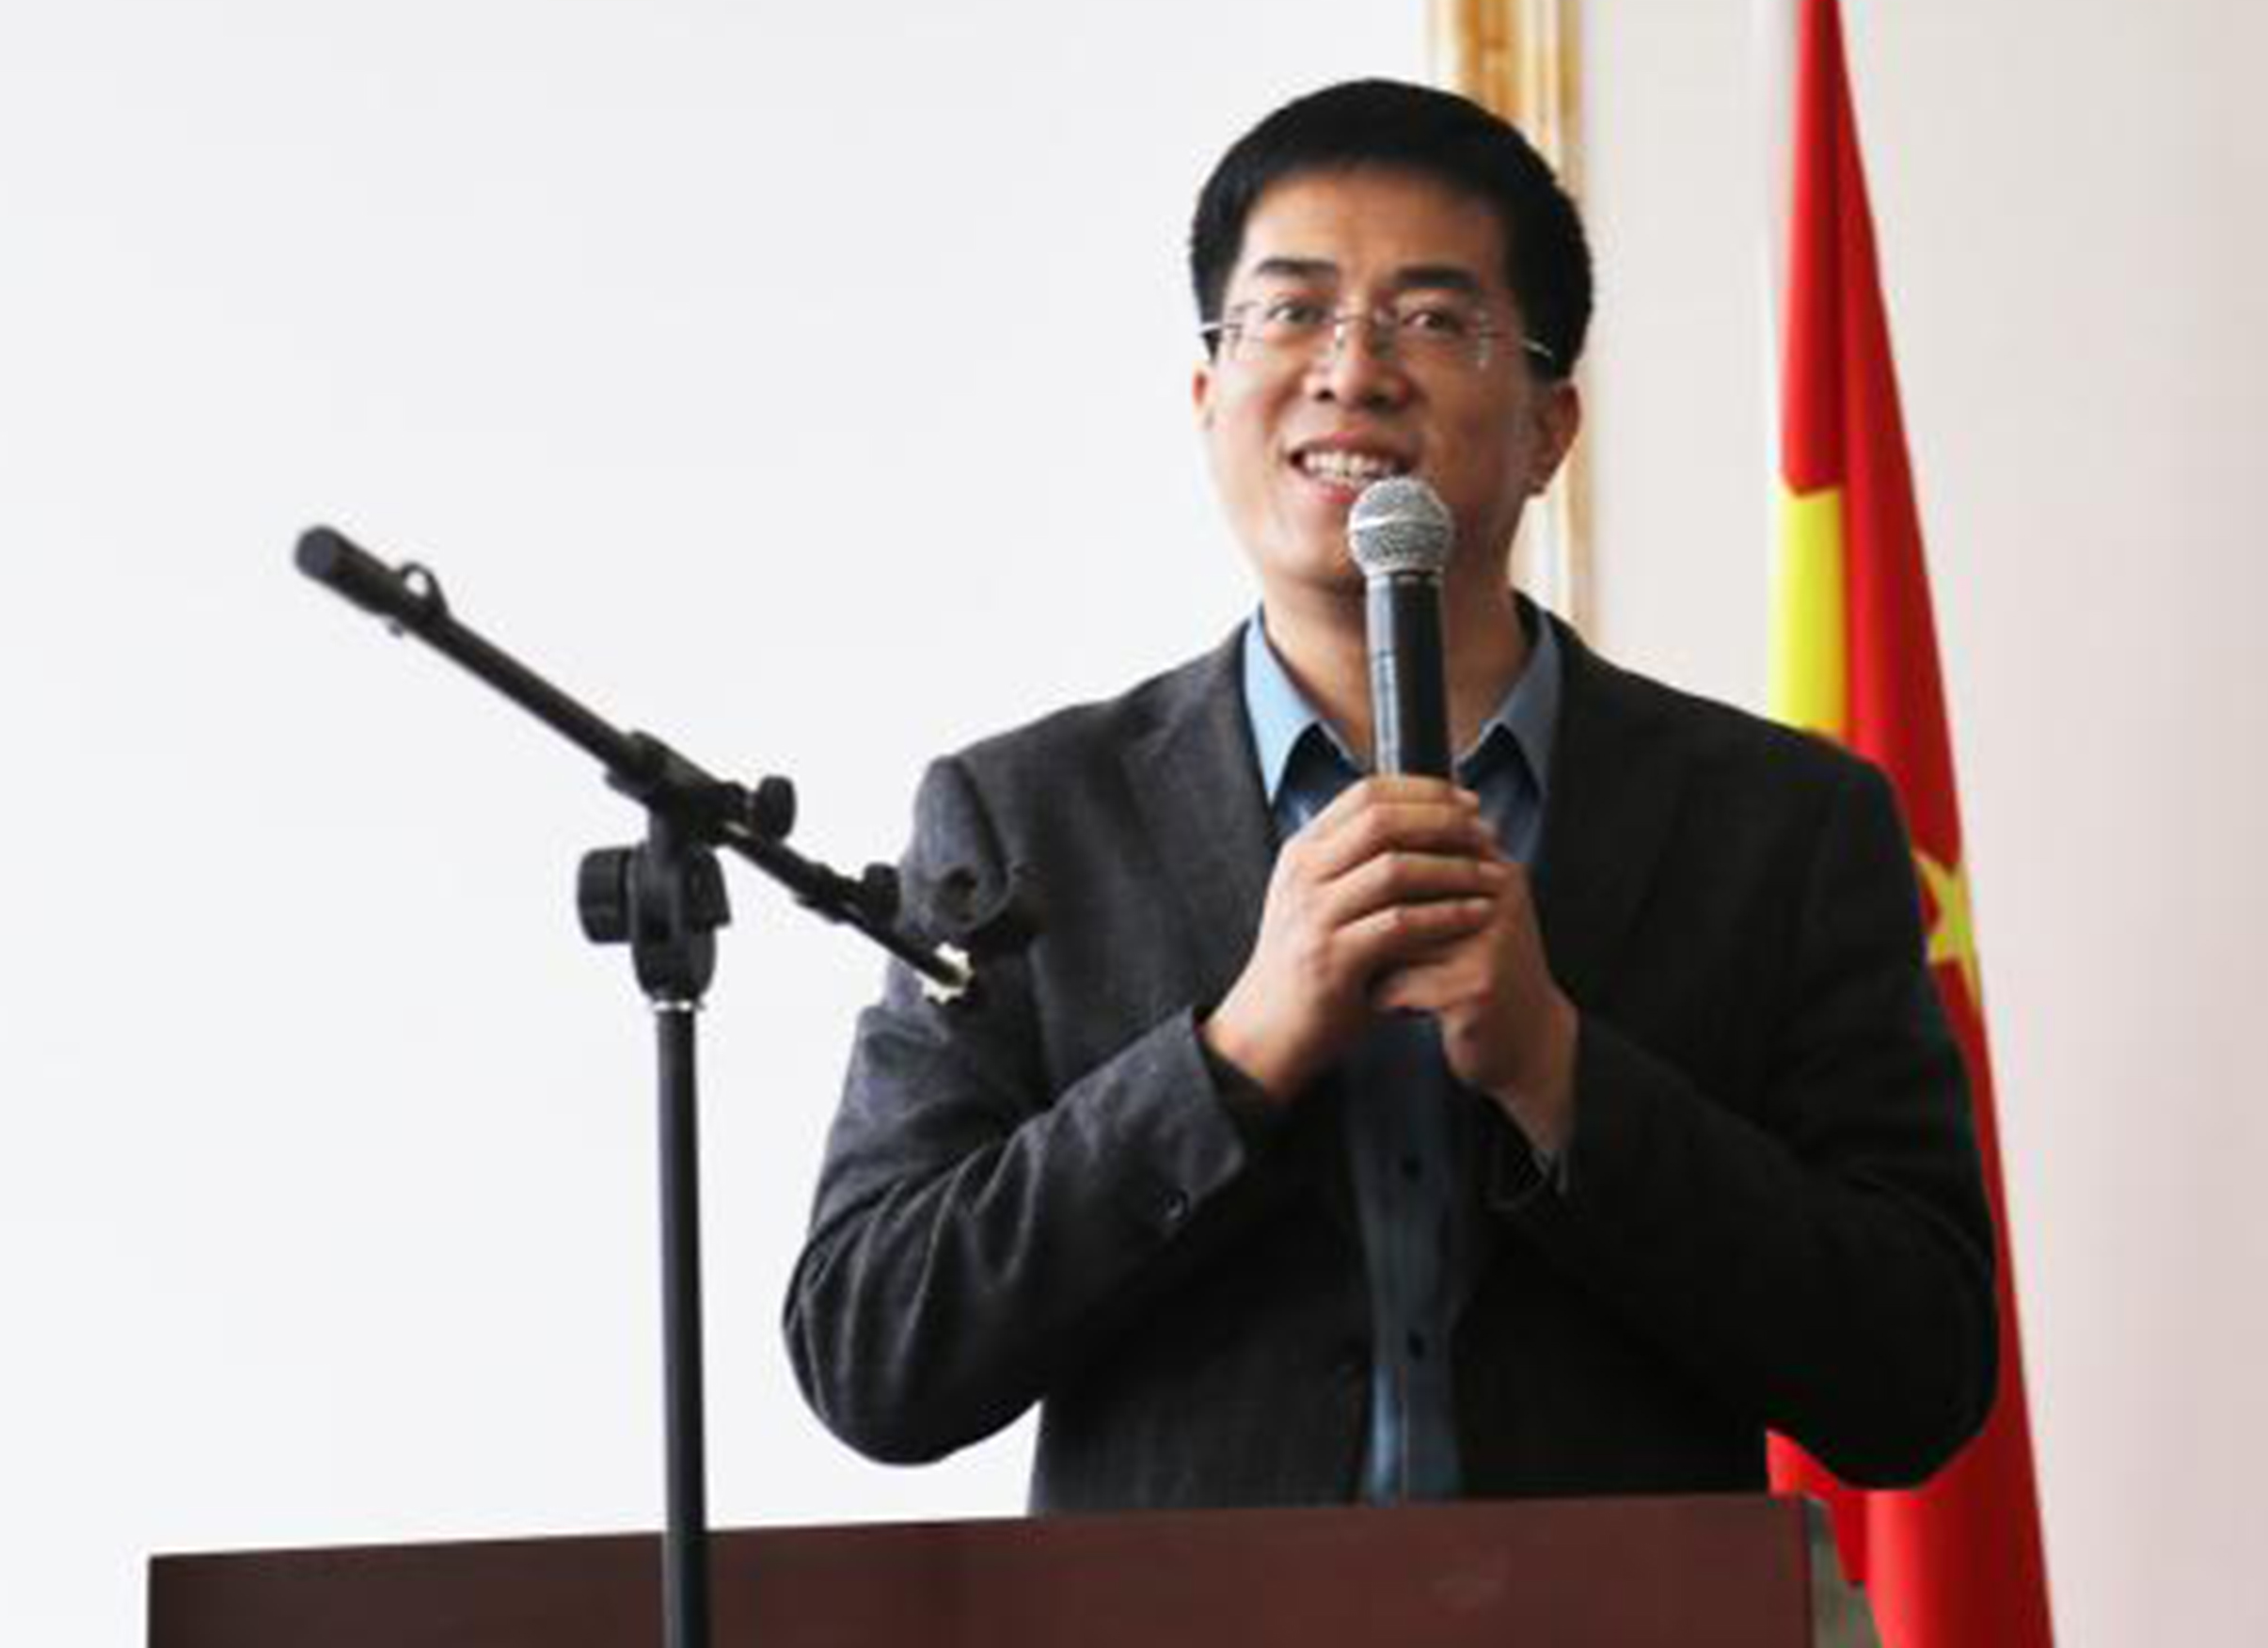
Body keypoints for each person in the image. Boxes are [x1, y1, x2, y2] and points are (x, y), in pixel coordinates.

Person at [785, 78, 1992, 1510]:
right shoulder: (1024, 817)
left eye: (1430, 318)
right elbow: (873, 1344)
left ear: (1550, 427)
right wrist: (1235, 1053)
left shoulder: (1783, 826)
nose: (1352, 370)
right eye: (1291, 312)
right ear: (1208, 400)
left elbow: (1919, 1372)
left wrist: (1557, 1069)